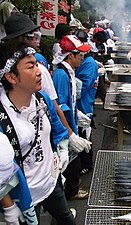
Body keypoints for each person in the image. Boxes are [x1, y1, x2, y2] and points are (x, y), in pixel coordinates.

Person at [0, 42, 75, 224]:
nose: (39, 71)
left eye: (37, 64)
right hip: (24, 194)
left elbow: (58, 130)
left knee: (66, 219)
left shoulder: (43, 100)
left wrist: (63, 148)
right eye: (30, 66)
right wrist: (8, 205)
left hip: (49, 181)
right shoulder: (3, 115)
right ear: (11, 77)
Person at [52, 35, 92, 200]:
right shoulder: (61, 75)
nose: (83, 58)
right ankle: (70, 193)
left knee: (73, 161)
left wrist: (78, 115)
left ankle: (71, 189)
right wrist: (70, 133)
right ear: (71, 55)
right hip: (64, 128)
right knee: (70, 163)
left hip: (70, 124)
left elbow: (70, 103)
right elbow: (60, 107)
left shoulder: (68, 72)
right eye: (80, 55)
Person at [74, 30, 99, 175]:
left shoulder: (88, 64)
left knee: (84, 137)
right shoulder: (86, 62)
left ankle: (86, 165)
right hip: (80, 104)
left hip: (83, 104)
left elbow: (81, 88)